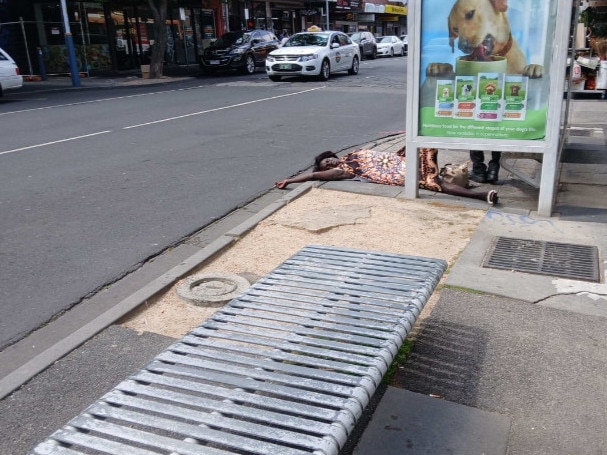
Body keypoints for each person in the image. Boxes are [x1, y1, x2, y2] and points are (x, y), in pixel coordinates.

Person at [274, 147, 499, 205]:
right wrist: (290, 180)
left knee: (420, 137)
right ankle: (482, 196)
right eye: (326, 165)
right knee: (434, 183)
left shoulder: (352, 156)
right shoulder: (346, 170)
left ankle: (477, 192)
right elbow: (314, 177)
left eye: (329, 159)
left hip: (404, 160)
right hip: (404, 173)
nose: (330, 162)